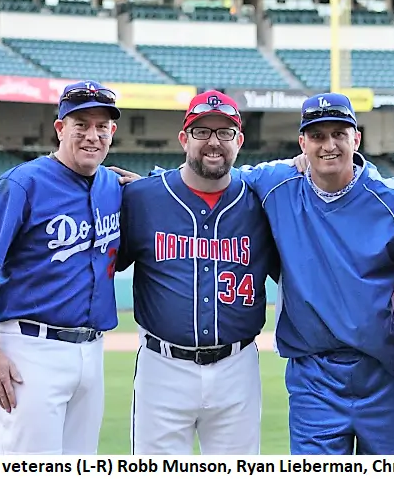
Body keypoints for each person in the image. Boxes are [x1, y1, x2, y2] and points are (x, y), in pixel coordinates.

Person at [239, 93, 394, 455]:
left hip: (385, 374)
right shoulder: (275, 184)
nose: (329, 145)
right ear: (302, 143)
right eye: (318, 136)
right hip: (314, 377)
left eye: (339, 134)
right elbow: (211, 177)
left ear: (356, 138)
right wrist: (153, 187)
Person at [116, 90, 279, 455]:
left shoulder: (262, 202)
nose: (213, 142)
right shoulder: (142, 198)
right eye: (202, 131)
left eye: (224, 133)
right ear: (184, 139)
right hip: (163, 366)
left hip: (237, 367)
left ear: (238, 141)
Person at [0, 80, 123, 455]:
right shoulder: (23, 183)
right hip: (30, 350)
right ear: (60, 128)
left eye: (102, 127)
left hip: (92, 350)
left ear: (112, 132)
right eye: (81, 124)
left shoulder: (113, 186)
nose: (92, 135)